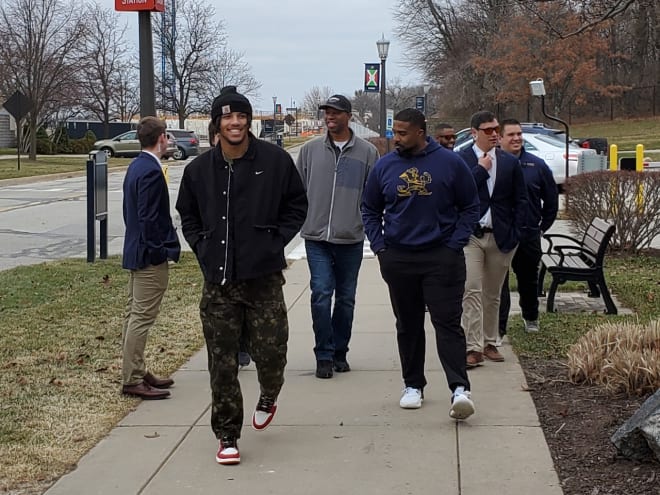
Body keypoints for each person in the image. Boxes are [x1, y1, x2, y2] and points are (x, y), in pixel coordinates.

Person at [176, 86, 307, 466]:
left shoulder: (275, 161)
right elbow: (188, 214)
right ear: (217, 123)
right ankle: (228, 435)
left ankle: (269, 395)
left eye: (241, 116)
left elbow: (296, 205)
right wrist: (202, 246)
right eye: (227, 117)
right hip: (219, 284)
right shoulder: (199, 170)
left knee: (271, 354)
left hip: (263, 278)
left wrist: (275, 241)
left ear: (250, 121)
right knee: (223, 362)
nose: (235, 123)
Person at [362, 108, 479, 420]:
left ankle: (459, 389)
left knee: (447, 323)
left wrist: (455, 244)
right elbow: (369, 208)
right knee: (408, 323)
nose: (396, 138)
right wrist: (380, 246)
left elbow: (470, 206)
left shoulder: (450, 163)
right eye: (394, 132)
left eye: (402, 133)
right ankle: (413, 385)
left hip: (442, 256)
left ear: (420, 132)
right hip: (399, 257)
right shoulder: (385, 166)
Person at [295, 94, 379, 379]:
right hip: (316, 237)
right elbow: (297, 191)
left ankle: (340, 351)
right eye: (326, 113)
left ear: (348, 116)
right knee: (320, 293)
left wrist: (366, 226)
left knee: (346, 298)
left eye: (335, 112)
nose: (329, 117)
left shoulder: (367, 153)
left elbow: (373, 196)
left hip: (350, 238)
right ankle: (324, 354)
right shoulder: (309, 151)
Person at [456, 111, 527, 367]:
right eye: (488, 130)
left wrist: (515, 232)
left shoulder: (509, 162)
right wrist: (480, 170)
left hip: (501, 237)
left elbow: (520, 199)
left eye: (496, 129)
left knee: (493, 293)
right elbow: (458, 194)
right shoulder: (461, 160)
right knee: (470, 290)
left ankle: (490, 342)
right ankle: (472, 347)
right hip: (471, 237)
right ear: (474, 133)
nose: (494, 134)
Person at [121, 116, 181, 400]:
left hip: (136, 251)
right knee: (141, 317)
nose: (168, 140)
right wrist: (159, 252)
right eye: (167, 136)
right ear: (161, 138)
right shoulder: (150, 171)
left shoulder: (136, 166)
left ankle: (137, 368)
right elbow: (148, 218)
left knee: (135, 314)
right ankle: (132, 378)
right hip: (147, 257)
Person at [497, 119, 558, 337]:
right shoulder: (493, 163)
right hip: (501, 235)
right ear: (500, 138)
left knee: (528, 280)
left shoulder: (537, 165)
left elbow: (551, 202)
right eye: (511, 134)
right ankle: (498, 328)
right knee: (498, 284)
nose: (516, 138)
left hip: (528, 235)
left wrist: (541, 228)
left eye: (519, 134)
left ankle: (531, 317)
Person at [207, 119, 252, 369]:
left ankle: (243, 347)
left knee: (246, 304)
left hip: (247, 250)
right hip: (219, 255)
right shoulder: (206, 170)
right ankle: (233, 350)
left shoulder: (250, 167)